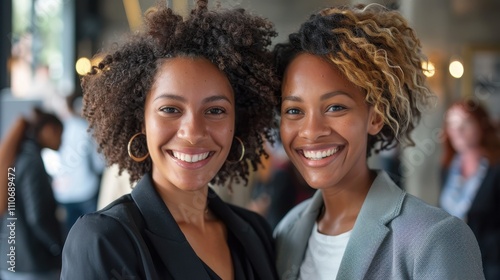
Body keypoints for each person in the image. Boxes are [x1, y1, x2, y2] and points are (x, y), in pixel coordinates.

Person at [61, 1, 279, 279]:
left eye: (215, 110)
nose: (193, 132)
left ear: (238, 122)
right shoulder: (105, 240)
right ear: (141, 120)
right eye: (170, 109)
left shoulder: (255, 233)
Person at [272, 4, 484, 279]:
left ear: (376, 117)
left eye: (336, 107)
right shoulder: (287, 232)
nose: (311, 131)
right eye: (294, 111)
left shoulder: (435, 238)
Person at [0, 107, 64, 280]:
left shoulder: (18, 156)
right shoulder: (31, 161)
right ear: (49, 129)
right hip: (33, 263)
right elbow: (37, 216)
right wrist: (57, 245)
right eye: (60, 133)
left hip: (11, 260)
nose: (61, 140)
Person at [440, 98, 500, 279]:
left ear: (481, 125)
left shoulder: (496, 169)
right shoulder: (447, 168)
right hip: (455, 265)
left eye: (465, 122)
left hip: (491, 267)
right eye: (452, 124)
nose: (457, 130)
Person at [52, 92, 105, 234]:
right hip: (86, 189)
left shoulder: (54, 131)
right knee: (92, 232)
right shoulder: (84, 128)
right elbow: (99, 162)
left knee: (71, 236)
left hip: (64, 192)